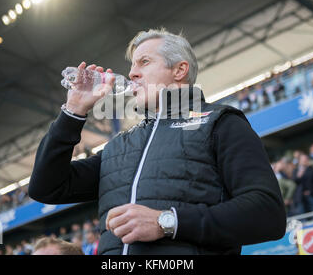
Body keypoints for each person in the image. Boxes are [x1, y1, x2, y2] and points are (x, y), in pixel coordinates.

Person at [29, 28, 286, 255]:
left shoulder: (220, 122)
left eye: (144, 62)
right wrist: (73, 111)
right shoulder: (119, 146)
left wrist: (167, 222)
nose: (132, 73)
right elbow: (46, 187)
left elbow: (267, 214)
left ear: (179, 70)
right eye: (132, 66)